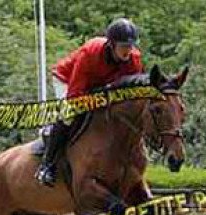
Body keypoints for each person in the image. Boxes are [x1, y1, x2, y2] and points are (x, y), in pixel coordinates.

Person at [35, 18, 145, 187]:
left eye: (130, 46)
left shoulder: (134, 59)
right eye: (124, 46)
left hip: (99, 87)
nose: (128, 51)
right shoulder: (90, 53)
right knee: (70, 114)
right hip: (67, 79)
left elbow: (129, 95)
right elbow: (75, 95)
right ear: (111, 44)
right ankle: (47, 165)